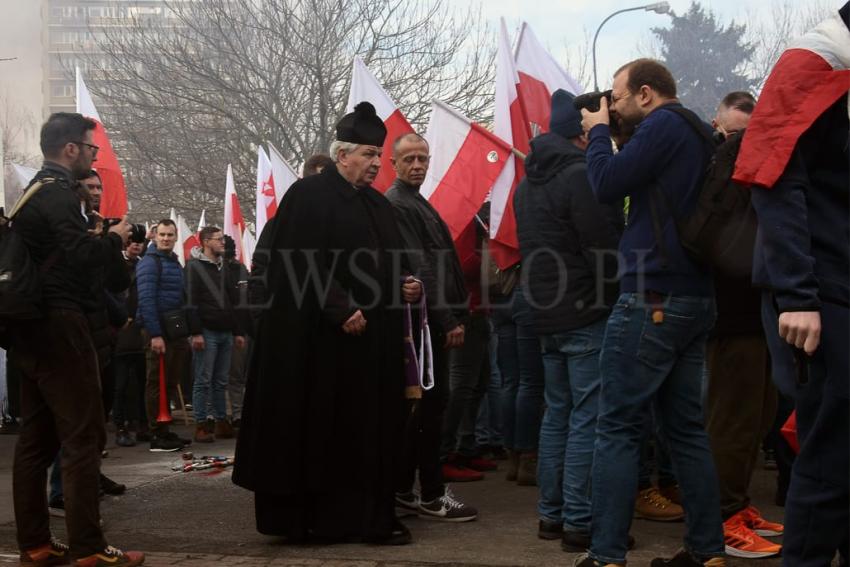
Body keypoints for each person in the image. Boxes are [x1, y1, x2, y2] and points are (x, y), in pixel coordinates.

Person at [233, 102, 421, 545]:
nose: (377, 163)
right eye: (369, 154)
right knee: (320, 432)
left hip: (370, 347)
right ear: (342, 156)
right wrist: (339, 306)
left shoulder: (377, 204)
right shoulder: (308, 195)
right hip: (319, 346)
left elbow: (386, 263)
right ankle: (315, 519)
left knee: (366, 432)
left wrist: (404, 286)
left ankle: (367, 516)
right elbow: (294, 262)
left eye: (379, 155)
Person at [577, 59, 725, 567]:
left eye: (615, 99)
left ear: (645, 94)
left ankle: (606, 556)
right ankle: (707, 551)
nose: (611, 107)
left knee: (616, 427)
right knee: (686, 431)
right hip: (694, 297)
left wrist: (597, 135)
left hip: (653, 297)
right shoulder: (699, 131)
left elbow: (605, 182)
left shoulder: (662, 124)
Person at [733, 7, 849, 565]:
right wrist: (798, 295)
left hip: (835, 282)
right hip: (822, 291)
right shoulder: (814, 60)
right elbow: (774, 180)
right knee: (830, 451)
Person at [11, 112, 144, 566]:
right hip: (60, 324)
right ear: (71, 149)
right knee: (83, 435)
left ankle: (36, 543)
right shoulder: (59, 196)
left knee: (36, 440)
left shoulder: (28, 196)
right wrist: (114, 238)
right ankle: (89, 547)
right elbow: (81, 256)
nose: (94, 155)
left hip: (27, 327)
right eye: (91, 149)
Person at [514, 89, 623, 550]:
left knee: (557, 414)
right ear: (581, 132)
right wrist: (616, 295)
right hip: (584, 313)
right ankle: (579, 522)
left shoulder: (526, 184)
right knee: (586, 419)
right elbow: (603, 250)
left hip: (544, 316)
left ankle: (551, 516)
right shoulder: (580, 176)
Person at [704, 91, 783, 559]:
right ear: (718, 127)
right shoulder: (714, 177)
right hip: (729, 316)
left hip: (760, 313)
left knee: (758, 418)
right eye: (733, 134)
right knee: (730, 422)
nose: (739, 143)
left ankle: (740, 504)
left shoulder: (759, 177)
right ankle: (722, 516)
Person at [385, 132, 479, 520]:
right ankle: (432, 494)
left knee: (424, 410)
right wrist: (447, 319)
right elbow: (422, 268)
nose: (418, 165)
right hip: (427, 323)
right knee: (429, 410)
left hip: (432, 319)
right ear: (394, 163)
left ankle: (405, 490)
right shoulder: (398, 203)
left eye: (423, 158)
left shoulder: (415, 200)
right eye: (409, 159)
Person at [135, 219, 192, 452]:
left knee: (169, 382)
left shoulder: (173, 262)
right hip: (157, 331)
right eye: (162, 235)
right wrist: (155, 334)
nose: (166, 238)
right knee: (155, 383)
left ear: (176, 237)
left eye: (170, 235)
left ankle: (165, 429)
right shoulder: (150, 263)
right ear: (155, 237)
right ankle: (156, 433)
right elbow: (146, 299)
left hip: (174, 331)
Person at [185, 226, 246, 443]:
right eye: (218, 239)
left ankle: (222, 421)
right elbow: (190, 302)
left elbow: (233, 300)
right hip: (206, 331)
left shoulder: (225, 268)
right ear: (206, 242)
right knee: (203, 380)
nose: (223, 243)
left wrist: (238, 331)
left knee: (221, 380)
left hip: (226, 331)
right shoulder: (193, 267)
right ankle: (202, 424)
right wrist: (195, 332)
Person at [113, 233, 150, 447]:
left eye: (139, 241)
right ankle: (121, 426)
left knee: (141, 382)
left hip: (140, 329)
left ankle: (142, 424)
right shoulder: (117, 267)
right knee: (121, 384)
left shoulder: (144, 266)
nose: (135, 244)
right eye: (131, 241)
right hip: (121, 330)